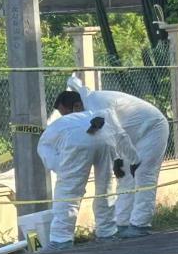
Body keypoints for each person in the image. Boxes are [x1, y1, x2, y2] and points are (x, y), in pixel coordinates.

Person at [67, 76, 170, 238]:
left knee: (143, 174)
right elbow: (106, 136)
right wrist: (118, 160)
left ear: (77, 106)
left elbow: (117, 133)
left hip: (153, 128)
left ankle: (140, 225)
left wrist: (131, 159)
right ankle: (122, 224)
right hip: (132, 135)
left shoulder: (97, 106)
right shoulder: (87, 109)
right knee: (125, 178)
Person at [37, 91, 139, 251]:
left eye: (63, 112)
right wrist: (134, 160)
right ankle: (107, 233)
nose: (62, 115)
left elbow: (43, 147)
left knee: (68, 192)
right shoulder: (102, 113)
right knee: (105, 188)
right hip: (105, 140)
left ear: (77, 105)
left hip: (78, 142)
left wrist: (63, 169)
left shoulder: (61, 123)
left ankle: (60, 240)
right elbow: (121, 136)